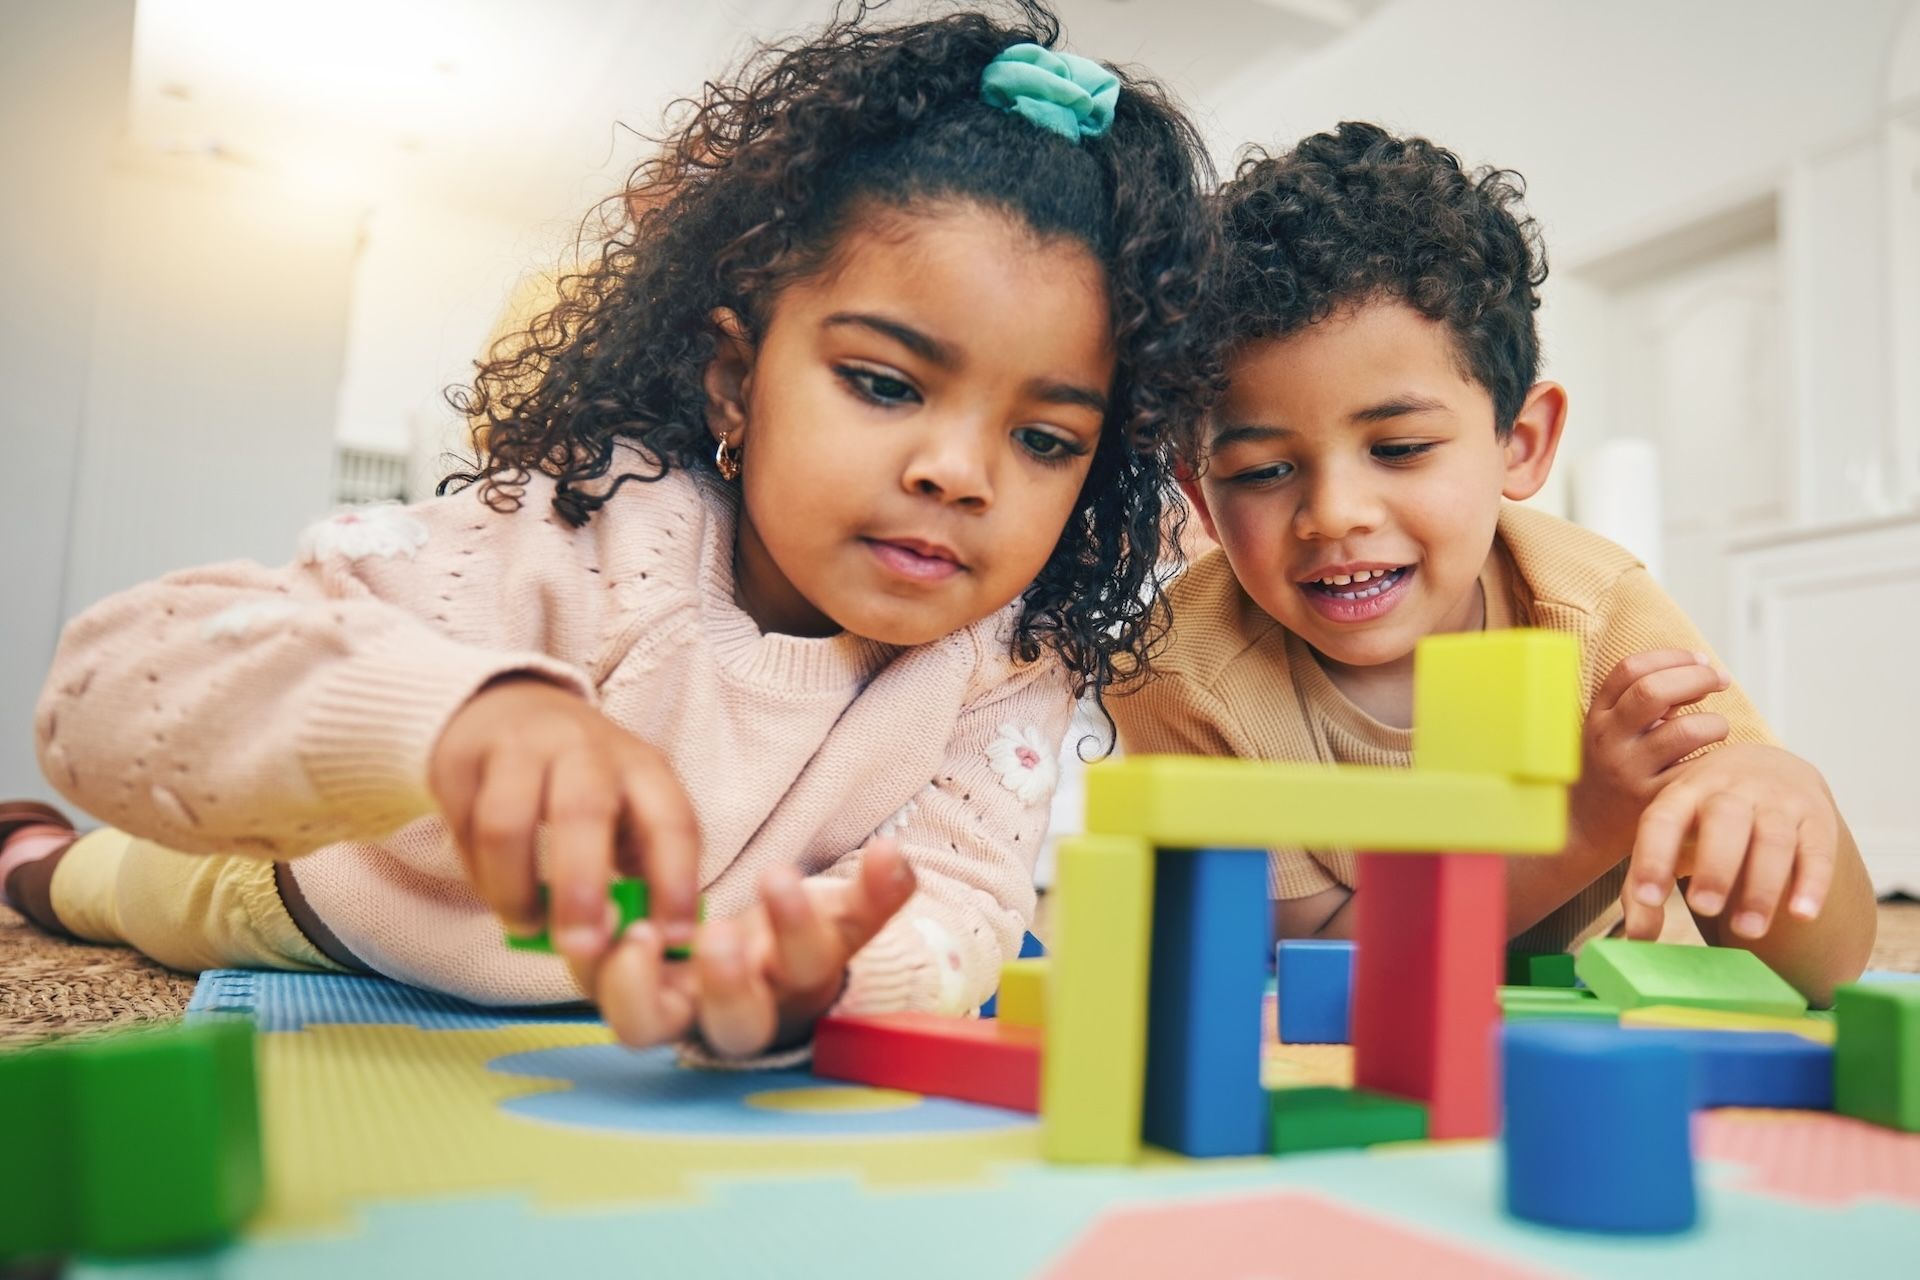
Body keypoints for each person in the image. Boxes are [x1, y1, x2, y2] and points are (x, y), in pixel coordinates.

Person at [1, 2, 1220, 1058]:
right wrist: (453, 719)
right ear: (736, 382)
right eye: (886, 383)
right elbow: (110, 687)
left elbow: (960, 893)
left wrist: (822, 973)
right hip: (329, 900)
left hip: (622, 997)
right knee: (99, 883)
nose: (959, 473)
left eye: (1047, 439)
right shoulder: (592, 524)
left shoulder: (1014, 649)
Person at [1111, 122, 1874, 1003]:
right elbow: (1309, 966)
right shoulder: (1180, 669)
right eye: (1264, 471)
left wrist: (1784, 796)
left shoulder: (1595, 610)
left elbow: (1824, 973)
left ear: (1521, 442)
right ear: (1201, 498)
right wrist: (1578, 828)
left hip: (1583, 1032)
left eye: (1398, 448)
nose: (1334, 515)